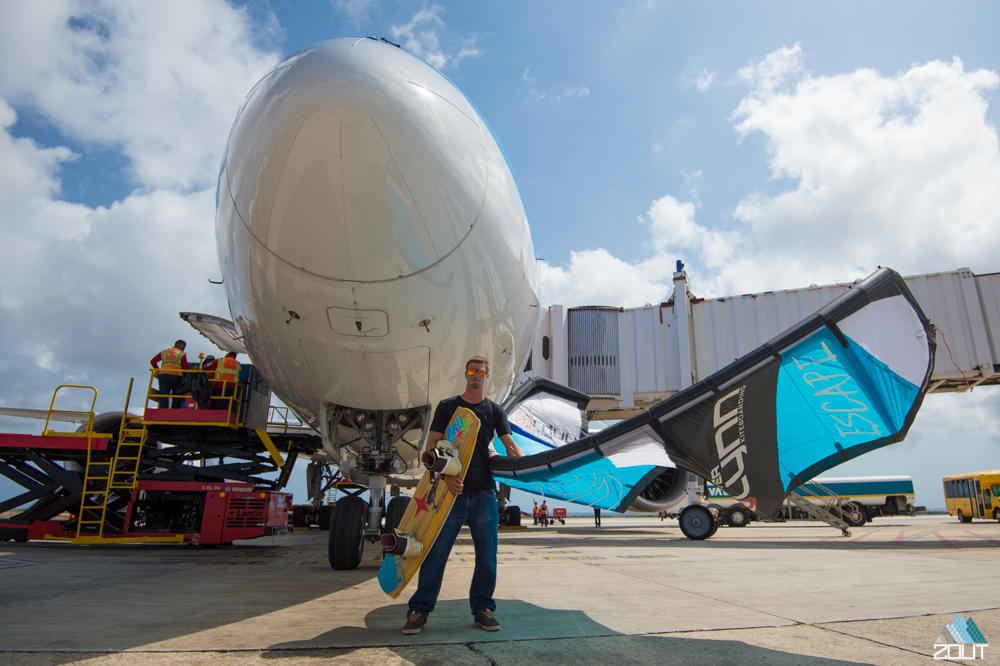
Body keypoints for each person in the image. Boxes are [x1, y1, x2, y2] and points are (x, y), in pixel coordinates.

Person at [403, 356, 524, 636]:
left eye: (481, 372)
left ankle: (483, 609)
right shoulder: (448, 407)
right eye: (472, 371)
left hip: (483, 494)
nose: (476, 375)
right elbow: (431, 446)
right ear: (466, 374)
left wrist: (538, 468)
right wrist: (445, 475)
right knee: (436, 555)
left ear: (487, 375)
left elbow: (510, 446)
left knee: (487, 557)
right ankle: (418, 610)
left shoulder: (494, 411)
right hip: (449, 495)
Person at [150, 341, 188, 408]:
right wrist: (183, 377)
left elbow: (153, 361)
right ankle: (174, 411)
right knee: (176, 396)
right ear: (178, 344)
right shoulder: (181, 354)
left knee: (163, 395)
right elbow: (185, 367)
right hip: (177, 377)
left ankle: (163, 411)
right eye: (183, 346)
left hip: (163, 376)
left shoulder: (164, 352)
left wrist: (158, 371)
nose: (184, 348)